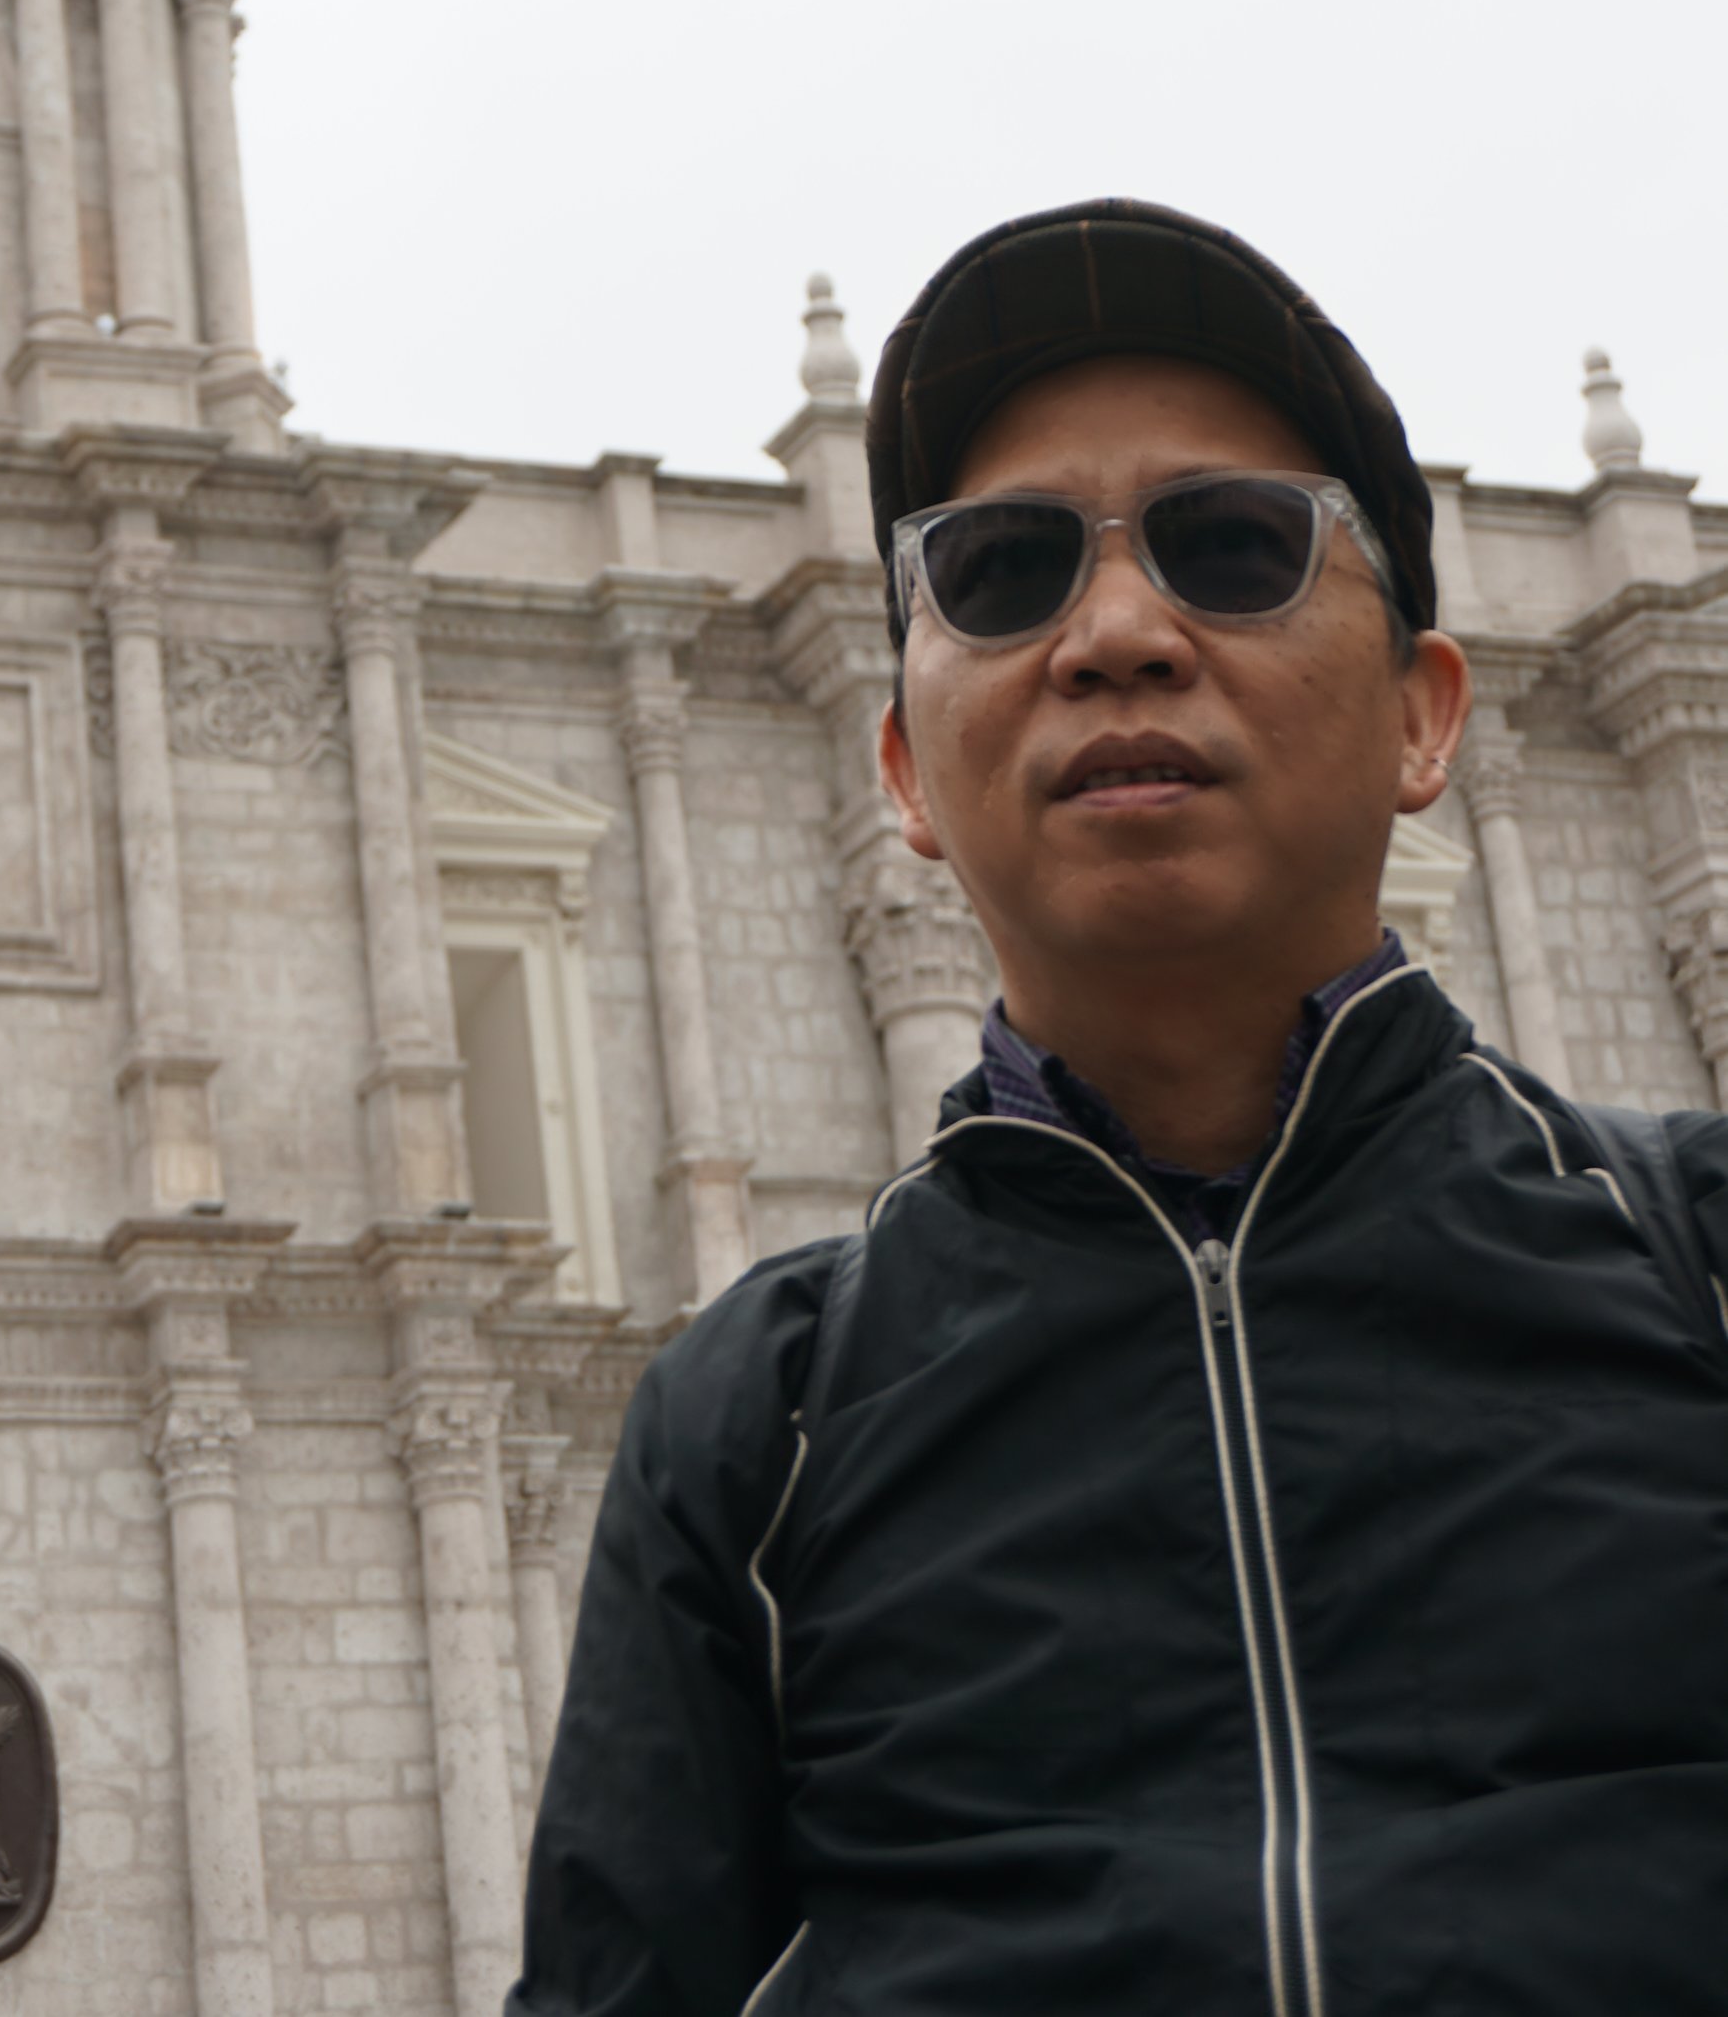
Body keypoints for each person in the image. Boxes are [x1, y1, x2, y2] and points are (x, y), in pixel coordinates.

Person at [512, 198, 1728, 2017]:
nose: (1117, 631)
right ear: (909, 768)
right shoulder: (757, 1421)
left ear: (1423, 716)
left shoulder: (1699, 1264)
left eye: (1232, 544)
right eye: (1003, 571)